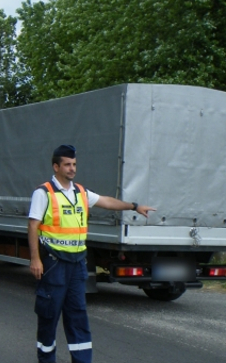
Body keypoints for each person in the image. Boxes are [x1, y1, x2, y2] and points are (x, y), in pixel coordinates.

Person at [28, 145, 155, 363]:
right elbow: (32, 226)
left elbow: (107, 201)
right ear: (56, 166)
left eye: (74, 164)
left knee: (78, 315)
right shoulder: (44, 193)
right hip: (54, 264)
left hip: (77, 264)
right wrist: (35, 259)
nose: (72, 168)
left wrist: (134, 206)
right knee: (49, 315)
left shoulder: (80, 192)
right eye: (67, 164)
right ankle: (46, 359)